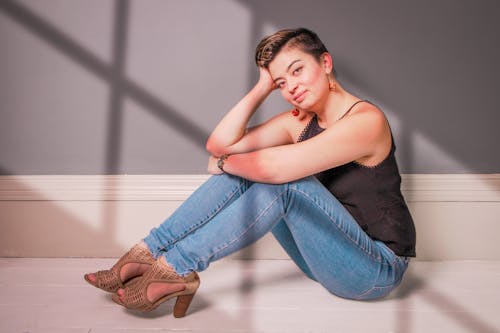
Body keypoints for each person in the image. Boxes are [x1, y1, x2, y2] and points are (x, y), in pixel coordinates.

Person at [84, 28, 416, 318]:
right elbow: (220, 142)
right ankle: (148, 252)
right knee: (258, 172)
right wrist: (262, 87)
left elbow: (270, 168)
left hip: (375, 269)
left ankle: (173, 268)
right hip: (323, 259)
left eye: (298, 70)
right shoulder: (298, 121)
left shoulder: (366, 121)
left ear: (325, 64)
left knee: (280, 181)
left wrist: (225, 162)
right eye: (281, 83)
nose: (292, 88)